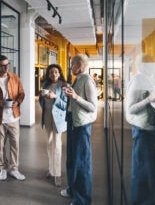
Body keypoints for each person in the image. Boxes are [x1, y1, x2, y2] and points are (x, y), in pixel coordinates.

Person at [60, 54, 98, 205]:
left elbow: (93, 107)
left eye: (72, 65)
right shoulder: (78, 79)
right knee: (71, 159)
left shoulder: (88, 81)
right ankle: (72, 189)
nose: (70, 68)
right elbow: (75, 100)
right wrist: (70, 95)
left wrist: (75, 97)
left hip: (81, 127)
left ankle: (82, 200)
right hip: (72, 123)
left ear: (80, 66)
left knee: (81, 163)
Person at [125, 54, 155, 205]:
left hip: (149, 129)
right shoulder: (138, 80)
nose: (153, 67)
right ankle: (140, 201)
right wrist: (149, 100)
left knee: (149, 168)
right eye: (150, 64)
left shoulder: (147, 79)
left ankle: (148, 200)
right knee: (142, 169)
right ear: (142, 65)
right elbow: (131, 109)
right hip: (142, 130)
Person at [0, 55, 25, 181]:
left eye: (7, 64)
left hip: (13, 118)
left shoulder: (14, 78)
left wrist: (17, 102)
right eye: (2, 65)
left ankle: (14, 169)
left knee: (15, 144)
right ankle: (3, 168)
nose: (6, 67)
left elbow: (21, 93)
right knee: (0, 146)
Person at [39, 64, 67, 187]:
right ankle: (51, 169)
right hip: (47, 117)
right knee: (50, 144)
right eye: (51, 72)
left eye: (56, 72)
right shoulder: (46, 85)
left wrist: (55, 96)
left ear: (59, 73)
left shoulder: (64, 86)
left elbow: (66, 104)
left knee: (57, 145)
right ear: (48, 74)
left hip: (59, 119)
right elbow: (42, 102)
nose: (53, 74)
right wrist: (43, 96)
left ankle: (57, 174)